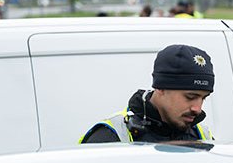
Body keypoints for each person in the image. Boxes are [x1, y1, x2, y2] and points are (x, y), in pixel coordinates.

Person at [80, 44, 214, 143]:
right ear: (161, 87)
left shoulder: (202, 134)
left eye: (203, 98)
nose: (197, 108)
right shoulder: (110, 136)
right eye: (190, 97)